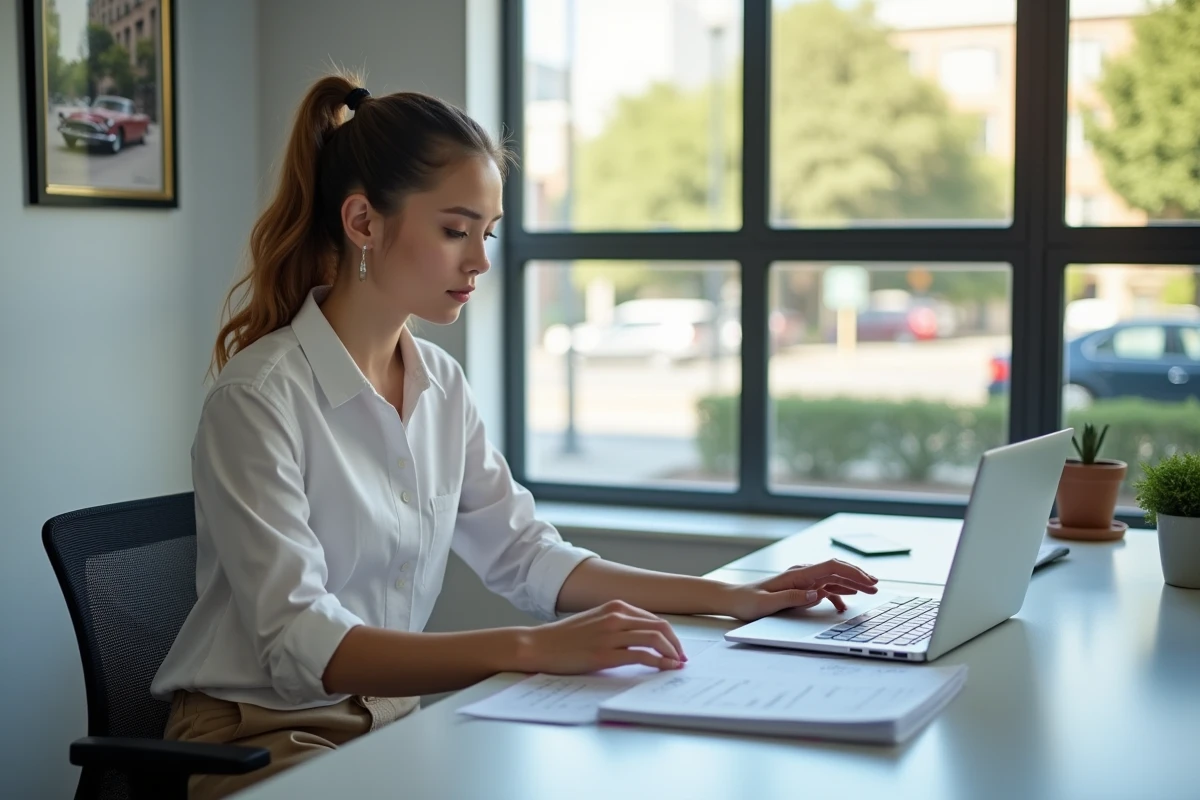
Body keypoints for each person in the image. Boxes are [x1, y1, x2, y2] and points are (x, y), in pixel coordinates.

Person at [150, 72, 879, 799]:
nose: (480, 261)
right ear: (363, 222)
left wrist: (732, 596)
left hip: (394, 725)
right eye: (455, 230)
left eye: (488, 232)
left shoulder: (439, 383)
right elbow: (300, 641)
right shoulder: (258, 398)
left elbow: (527, 555)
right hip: (260, 742)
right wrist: (535, 648)